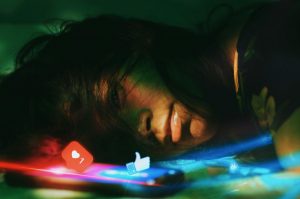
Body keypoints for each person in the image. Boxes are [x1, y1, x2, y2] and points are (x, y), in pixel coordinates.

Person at [0, 1, 299, 169]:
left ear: (137, 44)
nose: (138, 131)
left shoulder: (270, 47)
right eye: (114, 142)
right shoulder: (227, 104)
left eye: (115, 99)